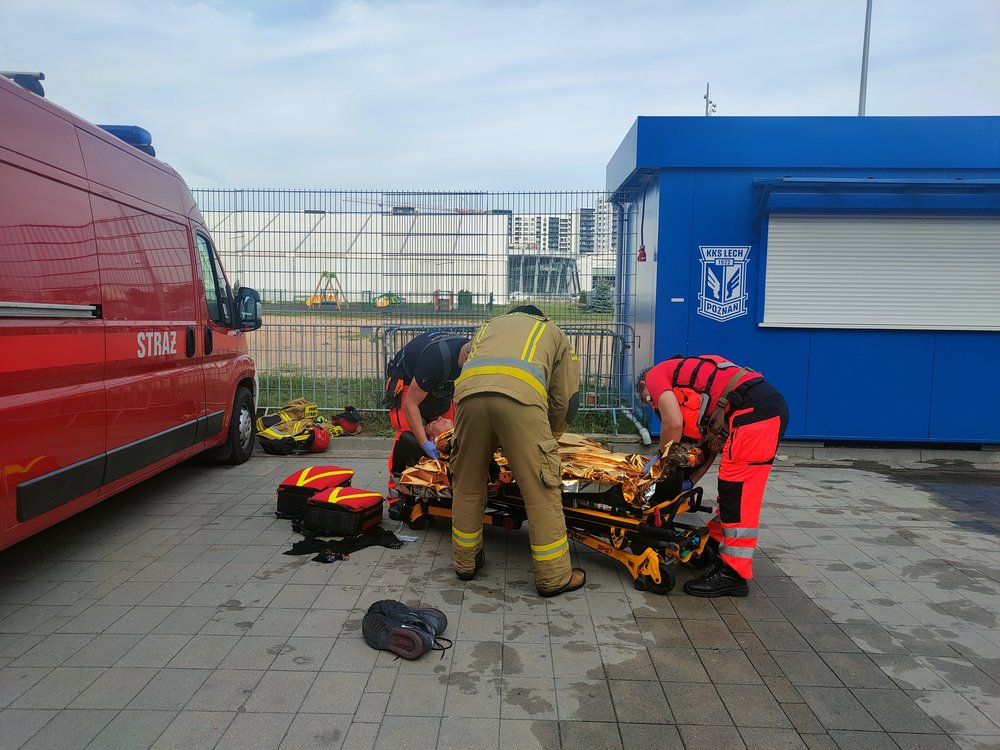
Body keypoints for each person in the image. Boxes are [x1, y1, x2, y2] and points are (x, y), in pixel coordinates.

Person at [450, 305, 584, 597]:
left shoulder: (487, 327)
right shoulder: (551, 330)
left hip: (467, 398)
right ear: (539, 316)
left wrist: (491, 440)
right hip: (520, 398)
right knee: (540, 490)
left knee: (467, 484)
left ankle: (465, 563)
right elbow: (565, 398)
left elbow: (475, 373)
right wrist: (548, 439)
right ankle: (554, 577)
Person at [636, 355, 788, 598]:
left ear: (644, 385)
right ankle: (715, 545)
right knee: (732, 492)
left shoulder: (655, 376)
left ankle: (733, 574)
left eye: (648, 399)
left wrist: (662, 470)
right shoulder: (700, 384)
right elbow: (710, 448)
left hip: (754, 416)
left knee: (737, 496)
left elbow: (673, 423)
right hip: (764, 410)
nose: (653, 404)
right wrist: (689, 482)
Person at [384, 332, 470, 509]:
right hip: (408, 383)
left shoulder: (471, 355)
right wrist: (424, 442)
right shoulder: (435, 360)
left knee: (447, 436)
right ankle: (397, 496)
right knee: (407, 438)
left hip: (439, 386)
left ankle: (442, 487)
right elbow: (410, 404)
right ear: (467, 356)